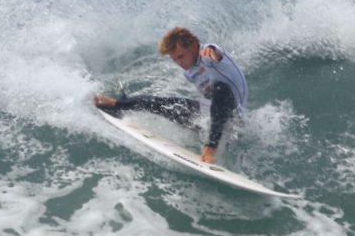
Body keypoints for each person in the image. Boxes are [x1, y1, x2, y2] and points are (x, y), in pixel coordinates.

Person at [94, 27, 248, 164]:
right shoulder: (190, 71)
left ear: (194, 46)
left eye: (181, 56)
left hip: (234, 120)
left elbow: (216, 52)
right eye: (175, 59)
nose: (179, 63)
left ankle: (210, 149)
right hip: (211, 117)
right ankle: (118, 104)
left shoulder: (209, 54)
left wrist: (212, 52)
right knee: (162, 104)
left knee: (221, 89)